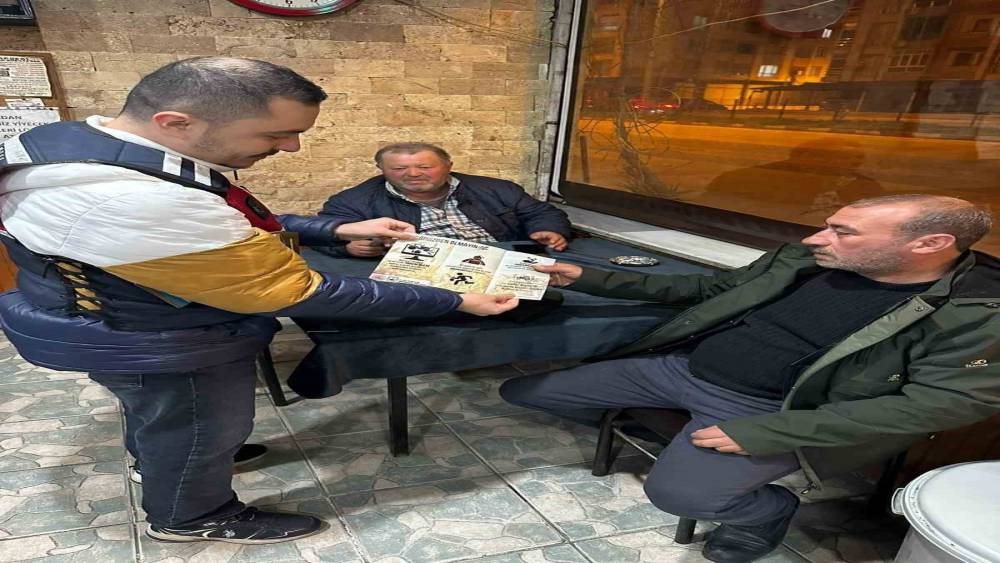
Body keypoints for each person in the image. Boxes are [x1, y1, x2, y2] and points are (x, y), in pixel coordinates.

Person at [0, 57, 518, 545]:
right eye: (274, 135)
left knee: (162, 416)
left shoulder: (78, 143)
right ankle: (191, 515)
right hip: (157, 337)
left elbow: (225, 221)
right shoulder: (130, 199)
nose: (291, 148)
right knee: (201, 424)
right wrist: (453, 299)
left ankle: (166, 461)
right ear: (176, 122)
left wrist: (338, 229)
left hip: (120, 317)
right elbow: (299, 290)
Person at [500, 194, 1000, 562]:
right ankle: (682, 435)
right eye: (828, 225)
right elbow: (709, 288)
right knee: (523, 391)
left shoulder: (976, 312)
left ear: (929, 244)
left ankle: (769, 510)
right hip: (684, 368)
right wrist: (587, 277)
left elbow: (945, 403)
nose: (816, 239)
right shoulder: (807, 260)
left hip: (772, 409)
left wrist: (769, 432)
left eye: (842, 232)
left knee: (679, 496)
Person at [285, 142, 571, 258]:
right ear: (382, 170)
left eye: (425, 167)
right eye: (399, 168)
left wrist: (548, 229)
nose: (412, 174)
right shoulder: (353, 201)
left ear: (448, 166)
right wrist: (347, 247)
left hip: (499, 259)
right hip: (423, 269)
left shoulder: (495, 188)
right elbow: (321, 234)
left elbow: (541, 212)